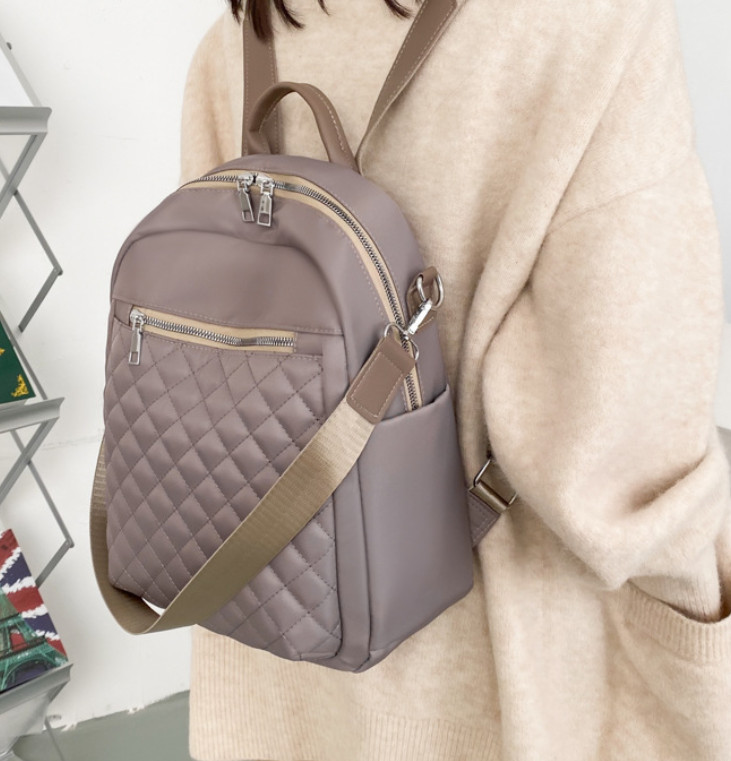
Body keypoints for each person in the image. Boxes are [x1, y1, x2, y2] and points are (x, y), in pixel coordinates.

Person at [179, 0, 731, 759]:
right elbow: (621, 428)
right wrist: (696, 586)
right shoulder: (591, 22)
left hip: (273, 658)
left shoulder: (237, 46)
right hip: (495, 678)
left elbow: (214, 345)